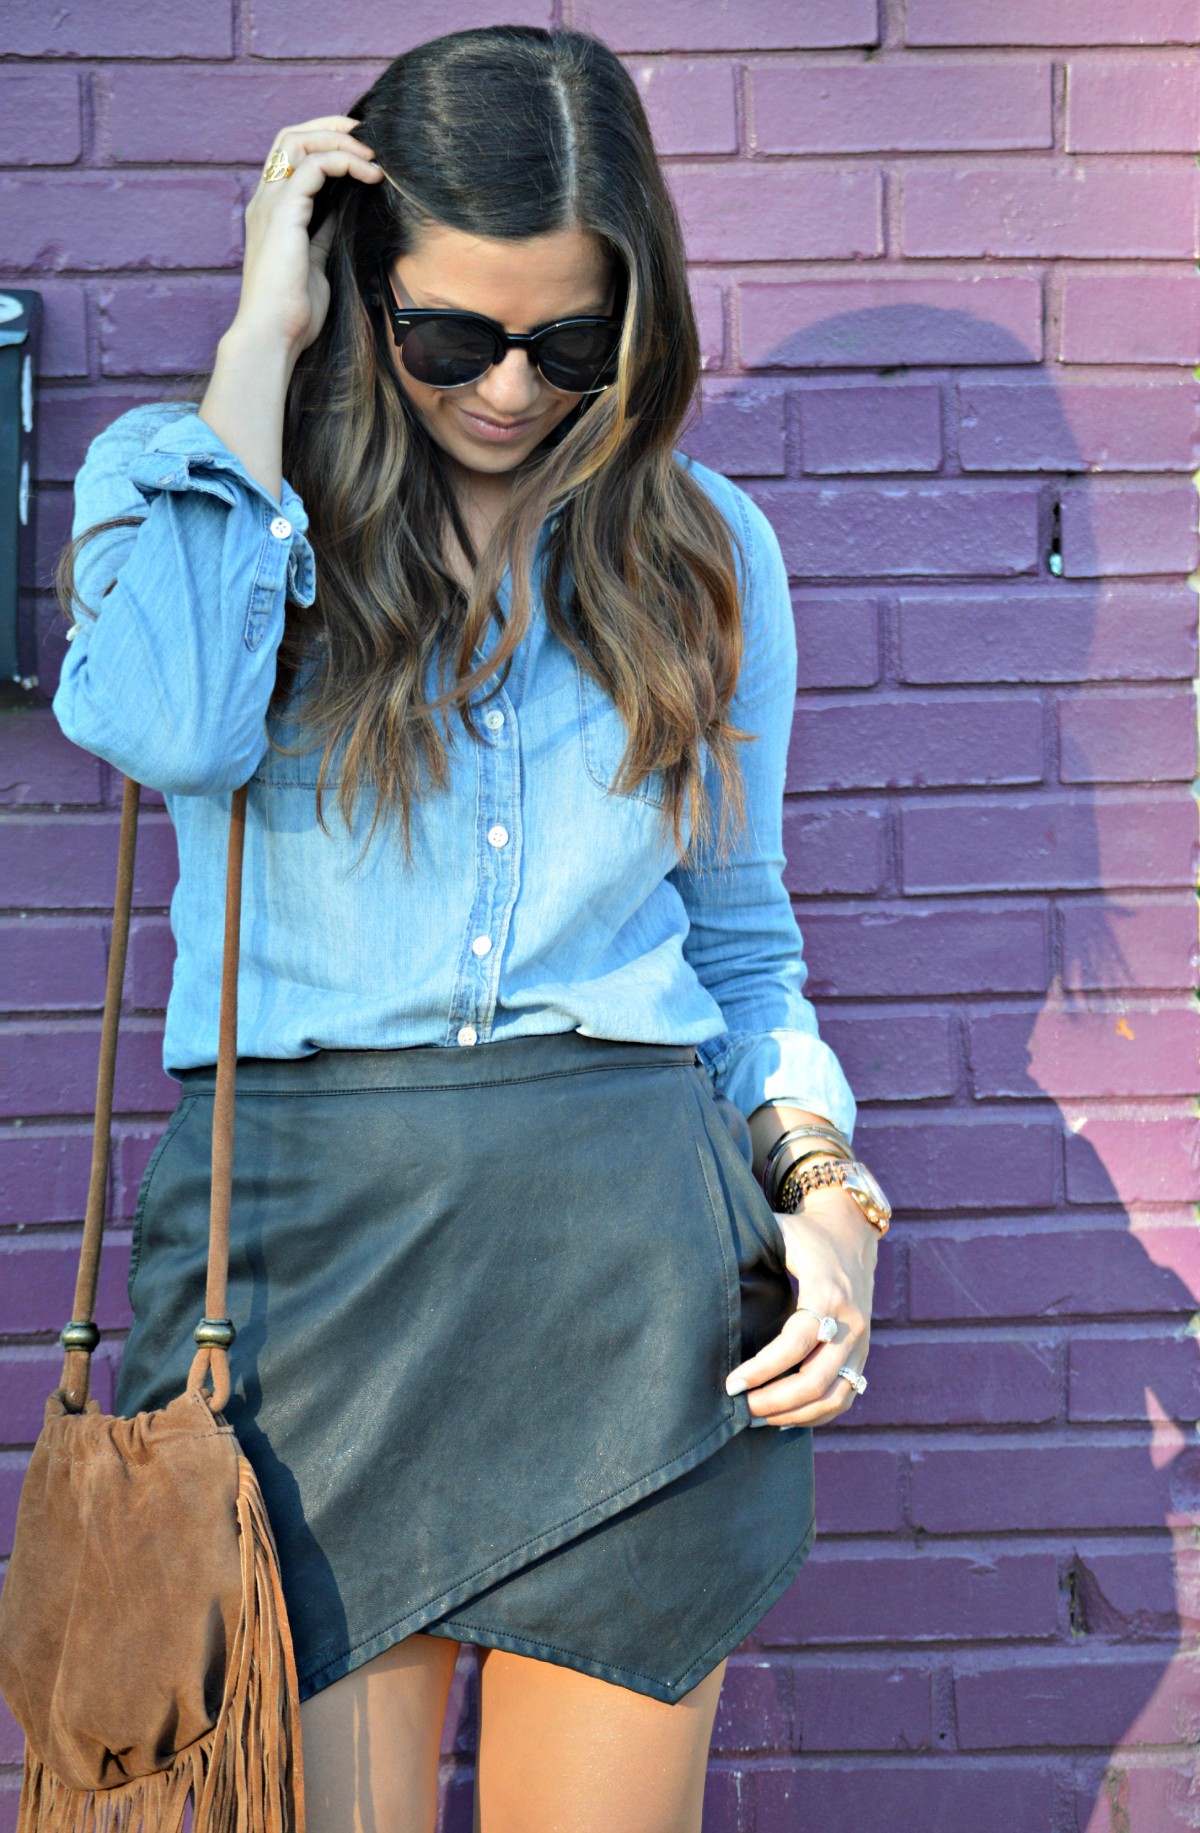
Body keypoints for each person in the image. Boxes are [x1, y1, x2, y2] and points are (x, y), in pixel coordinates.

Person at [50, 24, 889, 1833]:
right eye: (451, 335)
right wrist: (259, 344)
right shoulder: (187, 485)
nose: (511, 387)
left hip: (634, 1286)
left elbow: (737, 938)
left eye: (570, 343)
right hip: (307, 1283)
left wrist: (830, 1202)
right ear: (364, 294)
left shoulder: (703, 550)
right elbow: (181, 726)